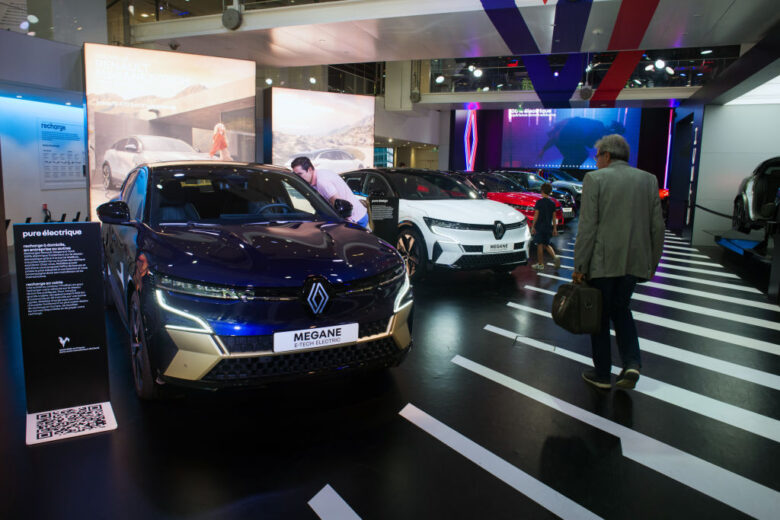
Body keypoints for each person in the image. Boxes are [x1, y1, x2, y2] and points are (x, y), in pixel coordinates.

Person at [573, 134, 664, 390]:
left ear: (607, 155)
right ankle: (632, 363)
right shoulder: (648, 180)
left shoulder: (595, 179)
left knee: (599, 317)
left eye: (597, 156)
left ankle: (602, 374)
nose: (596, 161)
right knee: (622, 310)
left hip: (602, 263)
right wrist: (651, 264)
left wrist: (580, 266)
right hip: (634, 263)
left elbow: (588, 227)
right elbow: (658, 227)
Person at [290, 156, 369, 228]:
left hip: (355, 219)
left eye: (300, 174)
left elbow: (338, 204)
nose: (299, 178)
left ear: (310, 169)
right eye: (296, 175)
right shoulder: (317, 177)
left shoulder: (322, 181)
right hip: (355, 216)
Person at [530, 183, 560, 271]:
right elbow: (554, 217)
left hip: (540, 226)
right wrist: (555, 228)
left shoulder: (539, 202)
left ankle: (540, 264)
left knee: (539, 245)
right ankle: (555, 257)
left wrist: (533, 226)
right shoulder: (552, 203)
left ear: (542, 191)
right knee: (546, 244)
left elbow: (536, 215)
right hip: (548, 227)